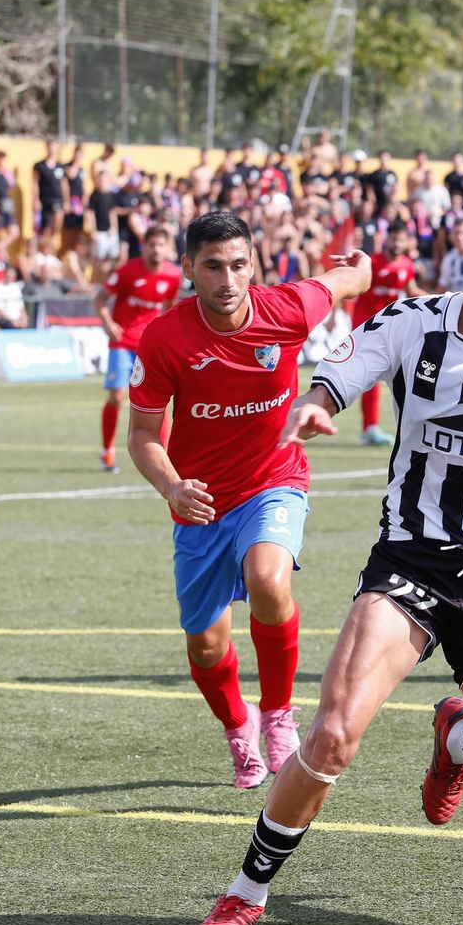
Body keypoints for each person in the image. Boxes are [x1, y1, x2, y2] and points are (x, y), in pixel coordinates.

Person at [193, 184, 463, 925]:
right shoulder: (413, 323)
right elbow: (339, 368)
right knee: (331, 736)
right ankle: (244, 893)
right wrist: (320, 400)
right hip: (411, 567)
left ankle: (460, 736)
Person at [127, 214, 370, 798]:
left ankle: (279, 715)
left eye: (238, 264)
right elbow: (142, 436)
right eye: (212, 266)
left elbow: (347, 283)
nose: (228, 278)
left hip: (274, 480)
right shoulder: (165, 339)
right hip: (201, 503)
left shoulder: (286, 309)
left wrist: (356, 268)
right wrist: (172, 488)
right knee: (207, 645)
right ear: (189, 269)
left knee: (268, 578)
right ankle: (239, 730)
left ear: (253, 263)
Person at [95, 225, 184, 472]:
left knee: (161, 400)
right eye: (152, 244)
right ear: (144, 246)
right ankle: (107, 451)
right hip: (122, 342)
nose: (156, 249)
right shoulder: (127, 271)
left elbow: (169, 307)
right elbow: (100, 299)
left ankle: (162, 456)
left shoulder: (172, 275)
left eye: (160, 245)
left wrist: (168, 337)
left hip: (150, 346)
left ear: (167, 248)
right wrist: (109, 323)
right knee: (116, 397)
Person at [350, 220, 424, 445]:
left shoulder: (406, 265)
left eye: (402, 239)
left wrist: (438, 300)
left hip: (392, 328)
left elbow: (411, 291)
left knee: (405, 374)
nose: (398, 243)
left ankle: (410, 426)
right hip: (367, 327)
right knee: (371, 377)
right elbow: (354, 285)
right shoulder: (372, 262)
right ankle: (369, 427)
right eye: (394, 238)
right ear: (386, 239)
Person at [34, 141, 66, 239]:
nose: (52, 149)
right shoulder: (39, 166)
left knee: (57, 225)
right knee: (45, 228)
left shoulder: (60, 166)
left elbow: (64, 184)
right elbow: (35, 183)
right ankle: (43, 250)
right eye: (50, 147)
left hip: (57, 199)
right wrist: (36, 200)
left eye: (54, 147)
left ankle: (50, 248)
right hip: (44, 200)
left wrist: (66, 200)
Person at [436, 217, 463, 293]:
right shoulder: (448, 259)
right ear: (451, 236)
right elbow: (443, 285)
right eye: (456, 233)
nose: (460, 237)